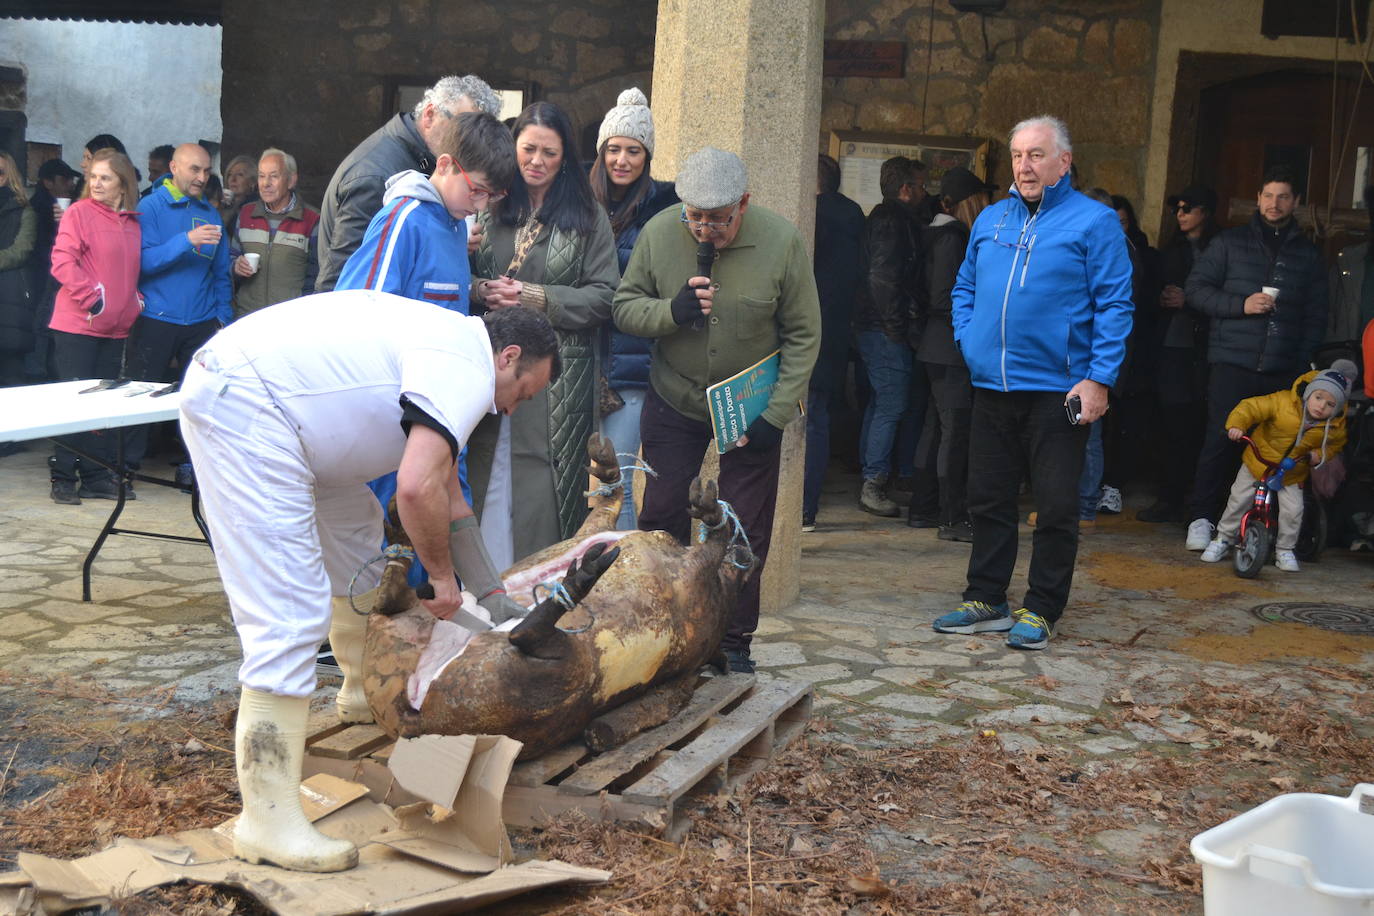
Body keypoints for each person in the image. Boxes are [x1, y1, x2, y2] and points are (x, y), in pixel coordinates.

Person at [178, 292, 559, 873]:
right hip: (251, 407)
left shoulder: (452, 347)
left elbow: (448, 493)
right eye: (522, 393)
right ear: (508, 358)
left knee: (355, 539)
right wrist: (439, 580)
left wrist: (493, 597)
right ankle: (267, 817)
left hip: (278, 409)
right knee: (288, 613)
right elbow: (413, 489)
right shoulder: (466, 367)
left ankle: (359, 691)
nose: (511, 409)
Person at [612, 146, 821, 673]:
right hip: (675, 396)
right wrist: (670, 312)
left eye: (718, 219)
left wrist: (777, 415)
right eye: (695, 217)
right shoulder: (660, 233)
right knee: (660, 514)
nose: (705, 229)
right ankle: (666, 630)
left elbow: (804, 334)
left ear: (744, 204)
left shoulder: (782, 242)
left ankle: (732, 641)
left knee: (742, 524)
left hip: (750, 407)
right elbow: (623, 307)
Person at [932, 115, 1133, 651]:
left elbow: (1116, 305)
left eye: (1037, 154)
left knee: (1057, 504)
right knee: (987, 498)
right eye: (1019, 155)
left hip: (1059, 388)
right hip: (991, 384)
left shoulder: (1095, 223)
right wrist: (969, 338)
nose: (1025, 165)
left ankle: (1042, 608)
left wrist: (1099, 379)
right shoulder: (991, 219)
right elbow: (964, 287)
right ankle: (987, 597)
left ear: (1064, 162)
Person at [468, 101, 618, 570]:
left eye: (549, 153)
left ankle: (539, 589)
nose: (536, 161)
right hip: (489, 364)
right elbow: (454, 275)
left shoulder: (587, 215)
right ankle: (482, 586)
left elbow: (605, 296)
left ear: (565, 157)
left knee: (544, 485)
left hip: (558, 376)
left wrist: (534, 296)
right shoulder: (487, 204)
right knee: (484, 468)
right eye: (528, 149)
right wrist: (480, 289)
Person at [1182, 166, 1328, 551]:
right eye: (1268, 196)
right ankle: (1201, 519)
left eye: (1283, 197)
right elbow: (1196, 290)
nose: (1274, 204)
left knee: (1276, 450)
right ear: (1257, 199)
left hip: (1283, 368)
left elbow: (1316, 316)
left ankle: (1262, 528)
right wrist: (1241, 305)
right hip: (1232, 362)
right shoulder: (1230, 243)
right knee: (1220, 440)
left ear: (1295, 203)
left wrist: (1302, 367)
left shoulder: (1308, 254)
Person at [588, 88, 680, 530]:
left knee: (615, 482)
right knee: (586, 485)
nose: (622, 160)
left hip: (631, 366)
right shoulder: (584, 205)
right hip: (581, 361)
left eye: (633, 151)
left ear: (647, 157)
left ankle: (623, 579)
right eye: (614, 149)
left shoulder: (664, 210)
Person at [317, 74, 502, 292]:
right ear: (430, 115)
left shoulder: (427, 161)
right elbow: (340, 284)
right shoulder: (376, 177)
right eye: (463, 131)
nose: (473, 146)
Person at [336, 112, 513, 312]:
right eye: (476, 190)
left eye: (491, 196)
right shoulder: (403, 221)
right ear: (445, 165)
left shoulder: (458, 225)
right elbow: (360, 308)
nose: (480, 206)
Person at [128, 143, 232, 477]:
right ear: (174, 167)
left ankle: (194, 469)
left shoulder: (211, 213)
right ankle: (126, 468)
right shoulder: (152, 206)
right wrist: (187, 239)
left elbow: (220, 273)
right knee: (141, 396)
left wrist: (223, 320)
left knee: (200, 401)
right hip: (155, 318)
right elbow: (142, 263)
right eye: (194, 169)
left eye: (206, 170)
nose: (202, 177)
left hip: (201, 322)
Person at [46, 149, 144, 503]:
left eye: (106, 177)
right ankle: (62, 478)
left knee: (101, 408)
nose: (97, 183)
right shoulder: (79, 213)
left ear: (122, 182)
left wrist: (133, 303)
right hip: (77, 325)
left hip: (115, 329)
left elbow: (130, 272)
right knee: (74, 404)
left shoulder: (133, 221)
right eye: (93, 177)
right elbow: (61, 261)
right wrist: (92, 299)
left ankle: (93, 476)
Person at [1198, 368, 1350, 572]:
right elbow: (1250, 407)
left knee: (1293, 510)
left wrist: (1318, 455)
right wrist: (1237, 425)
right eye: (1318, 397)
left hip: (1292, 471)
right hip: (1259, 462)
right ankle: (1224, 538)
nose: (1321, 406)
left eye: (1330, 404)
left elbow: (1334, 446)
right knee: (1239, 499)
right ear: (1308, 393)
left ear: (1337, 408)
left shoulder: (1334, 427)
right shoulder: (1282, 402)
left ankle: (1285, 549)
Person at [914, 166, 992, 543]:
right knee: (953, 433)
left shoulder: (938, 233)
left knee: (937, 430)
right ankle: (950, 517)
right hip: (949, 349)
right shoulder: (952, 237)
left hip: (937, 347)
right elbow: (944, 298)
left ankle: (926, 508)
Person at [1137, 184, 1219, 523]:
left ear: (1206, 212)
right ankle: (1169, 497)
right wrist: (1160, 298)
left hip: (1209, 349)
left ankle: (1198, 501)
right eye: (1178, 209)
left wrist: (1192, 301)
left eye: (1189, 207)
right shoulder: (1168, 252)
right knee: (1171, 424)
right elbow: (1145, 293)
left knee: (1203, 425)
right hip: (1171, 347)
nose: (1181, 214)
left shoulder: (1220, 249)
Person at [852, 155, 926, 517]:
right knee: (892, 404)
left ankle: (872, 475)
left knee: (881, 402)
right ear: (906, 189)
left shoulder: (884, 219)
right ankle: (874, 481)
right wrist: (897, 326)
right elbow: (882, 279)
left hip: (875, 325)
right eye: (921, 185)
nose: (925, 192)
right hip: (882, 328)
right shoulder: (892, 222)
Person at [803, 153, 864, 531]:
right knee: (819, 416)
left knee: (805, 417)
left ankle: (801, 507)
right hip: (838, 326)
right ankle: (808, 508)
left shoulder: (812, 216)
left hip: (808, 323)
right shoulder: (855, 214)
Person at [230, 148, 322, 318]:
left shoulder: (312, 219)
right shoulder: (245, 214)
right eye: (261, 176)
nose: (265, 183)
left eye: (274, 176)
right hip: (247, 318)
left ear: (291, 180)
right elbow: (230, 259)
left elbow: (318, 275)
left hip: (288, 322)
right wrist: (235, 267)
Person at [25, 159, 82, 383]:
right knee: (42, 325)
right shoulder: (43, 207)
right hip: (45, 275)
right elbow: (44, 247)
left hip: (48, 275)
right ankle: (39, 374)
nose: (70, 183)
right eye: (64, 179)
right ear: (48, 182)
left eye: (71, 179)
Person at [0, 151, 37, 387]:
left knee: (10, 375)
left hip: (9, 301)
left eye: (0, 172)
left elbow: (21, 251)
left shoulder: (25, 211)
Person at [220, 154, 257, 225]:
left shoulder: (255, 208)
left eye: (240, 174)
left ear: (253, 182)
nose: (233, 179)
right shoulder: (221, 204)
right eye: (230, 174)